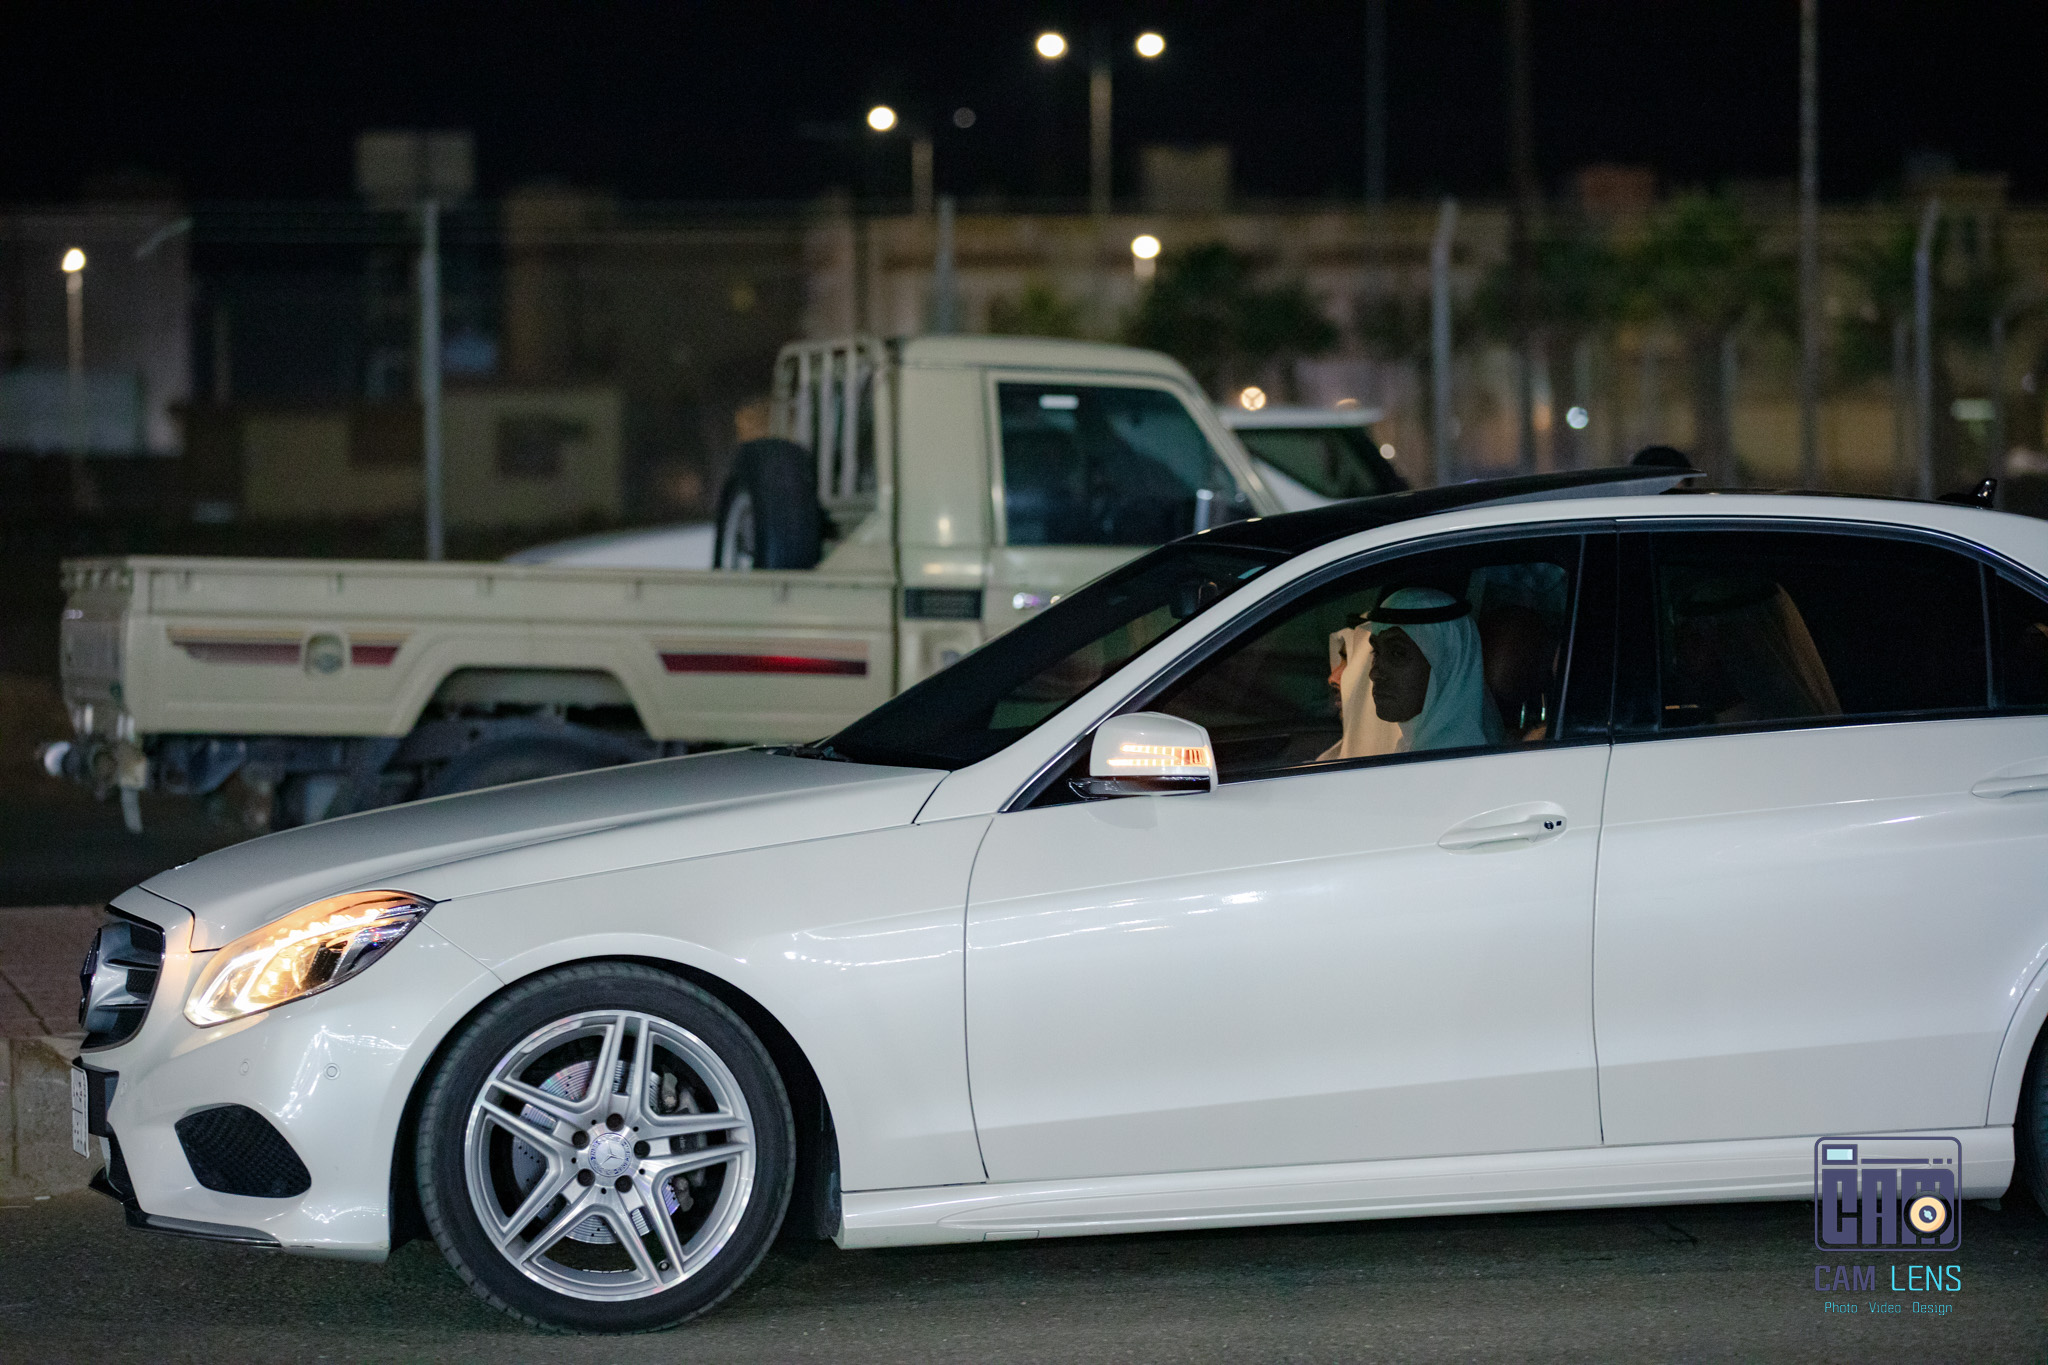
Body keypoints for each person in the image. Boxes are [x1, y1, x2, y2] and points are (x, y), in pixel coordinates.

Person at [1361, 586, 1503, 752]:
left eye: (1398, 653)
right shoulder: (1421, 747)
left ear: (1446, 664)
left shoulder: (1454, 756)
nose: (1374, 673)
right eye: (1376, 651)